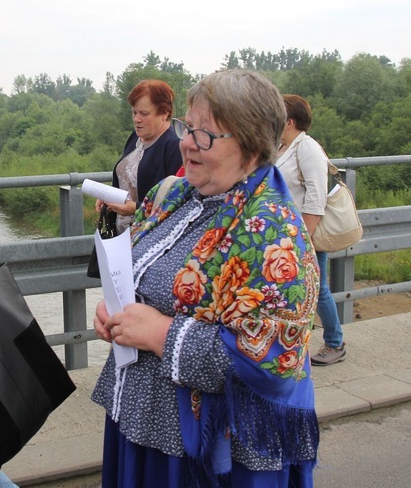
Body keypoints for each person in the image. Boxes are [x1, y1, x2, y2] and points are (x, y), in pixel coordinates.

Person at [91, 70, 320, 487]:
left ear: (250, 146)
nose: (186, 142)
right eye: (188, 127)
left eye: (206, 135)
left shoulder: (274, 235)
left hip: (209, 453)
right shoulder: (173, 195)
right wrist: (115, 310)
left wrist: (160, 333)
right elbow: (137, 272)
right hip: (142, 419)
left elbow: (271, 360)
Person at [276, 94, 347, 367]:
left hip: (305, 233)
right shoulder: (282, 147)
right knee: (295, 289)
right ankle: (294, 342)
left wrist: (303, 239)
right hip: (285, 233)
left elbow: (316, 197)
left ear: (290, 121)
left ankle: (335, 343)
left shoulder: (307, 148)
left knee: (317, 290)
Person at [95, 79, 183, 233]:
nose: (137, 119)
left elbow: (177, 201)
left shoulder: (174, 146)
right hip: (121, 234)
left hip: (150, 236)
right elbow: (128, 181)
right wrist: (109, 197)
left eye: (144, 113)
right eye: (134, 112)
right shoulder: (135, 138)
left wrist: (136, 208)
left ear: (164, 114)